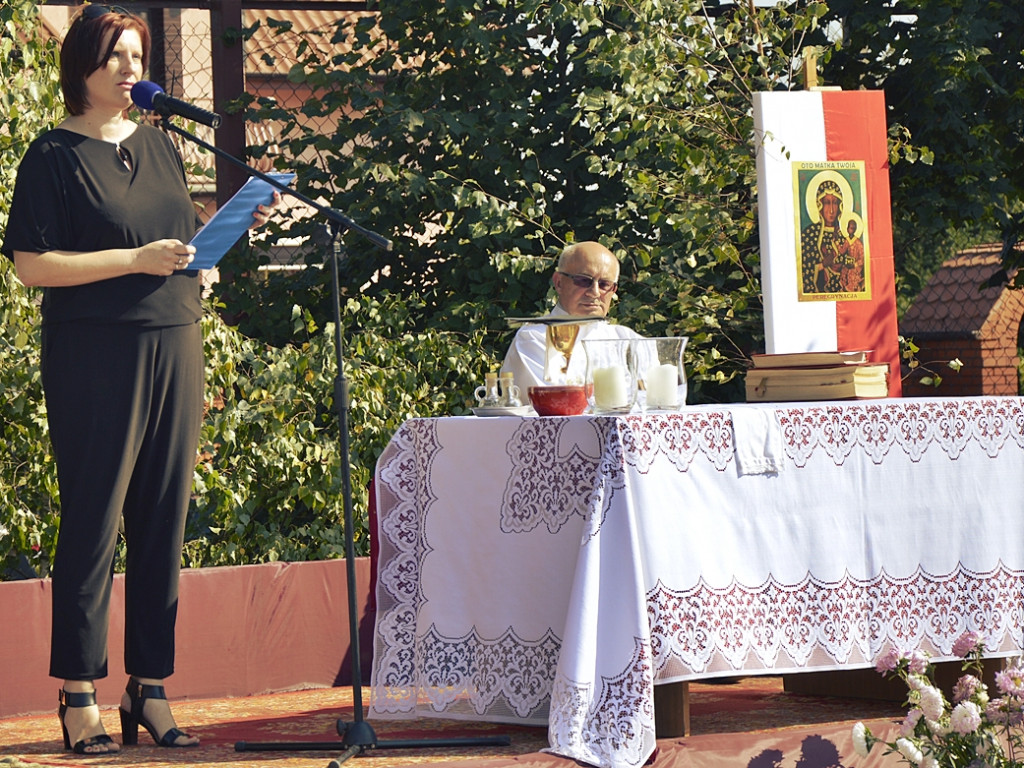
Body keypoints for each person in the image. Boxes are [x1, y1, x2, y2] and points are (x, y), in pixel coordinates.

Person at [1, 5, 276, 754]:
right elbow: (32, 265)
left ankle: (149, 686)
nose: (130, 68)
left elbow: (176, 242)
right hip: (94, 352)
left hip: (174, 340)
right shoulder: (52, 156)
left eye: (136, 54)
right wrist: (133, 261)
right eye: (116, 55)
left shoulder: (159, 148)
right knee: (93, 521)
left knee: (164, 519)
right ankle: (80, 690)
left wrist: (201, 264)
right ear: (82, 64)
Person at [501, 241, 641, 391]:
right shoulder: (535, 338)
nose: (594, 292)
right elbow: (556, 404)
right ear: (559, 283)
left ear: (613, 290)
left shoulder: (627, 339)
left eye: (604, 284)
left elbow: (654, 400)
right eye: (583, 280)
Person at [799, 179, 847, 295]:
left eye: (835, 203)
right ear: (819, 205)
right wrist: (822, 265)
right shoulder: (810, 234)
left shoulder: (845, 234)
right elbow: (803, 270)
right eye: (826, 202)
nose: (831, 210)